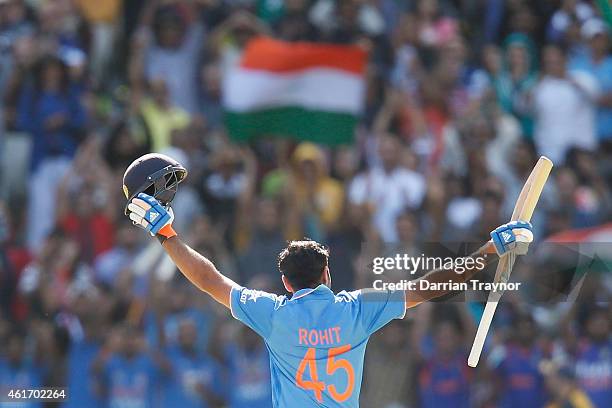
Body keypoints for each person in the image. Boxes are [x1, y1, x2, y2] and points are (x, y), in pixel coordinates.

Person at [121, 154, 534, 407]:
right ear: (327, 274)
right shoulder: (356, 309)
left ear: (284, 283)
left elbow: (209, 279)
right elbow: (430, 285)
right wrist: (488, 251)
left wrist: (167, 235)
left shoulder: (272, 314)